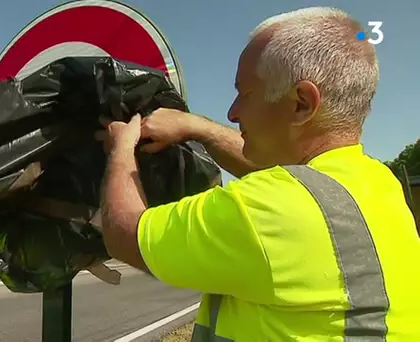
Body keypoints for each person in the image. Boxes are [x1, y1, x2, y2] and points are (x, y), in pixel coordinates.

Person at [95, 6, 420, 340]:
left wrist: (122, 146)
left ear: (302, 103)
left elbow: (125, 233)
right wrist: (198, 128)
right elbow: (281, 172)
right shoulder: (378, 184)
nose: (232, 112)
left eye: (245, 93)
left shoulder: (268, 209)